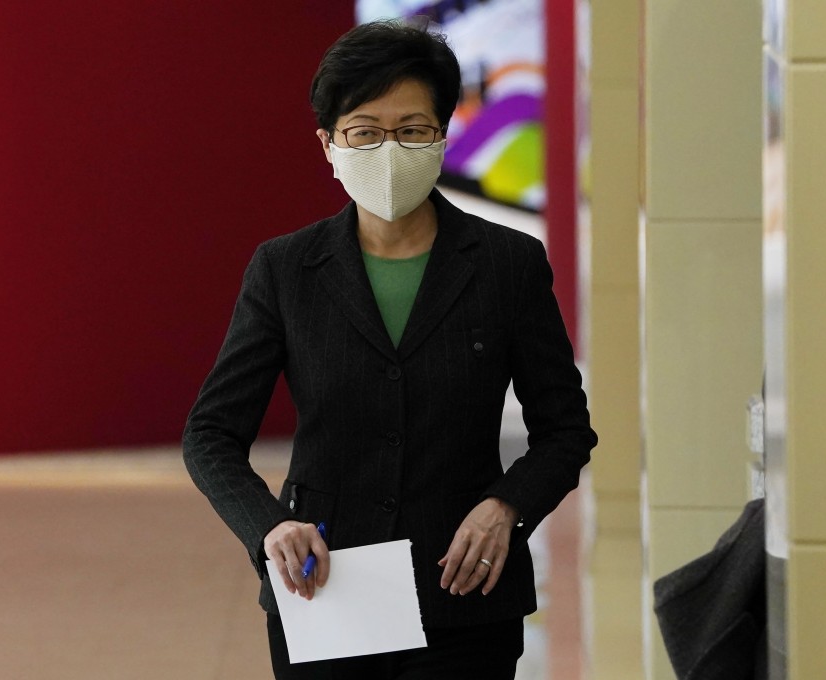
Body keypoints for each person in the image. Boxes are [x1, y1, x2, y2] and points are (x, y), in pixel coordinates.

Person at [182, 18, 597, 680]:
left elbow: (565, 429)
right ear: (329, 144)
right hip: (327, 585)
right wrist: (269, 527)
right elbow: (210, 434)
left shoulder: (506, 264)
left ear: (442, 134)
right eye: (365, 132)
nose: (389, 148)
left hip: (466, 589)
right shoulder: (286, 270)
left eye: (411, 130)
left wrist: (507, 507)